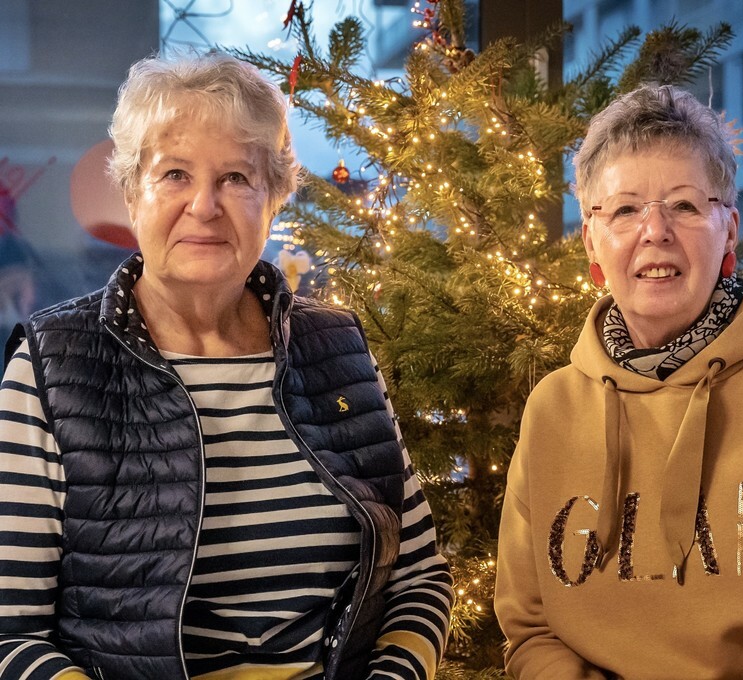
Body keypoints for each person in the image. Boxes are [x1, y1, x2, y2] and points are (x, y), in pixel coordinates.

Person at [0, 51, 453, 680]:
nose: (205, 206)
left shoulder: (336, 348)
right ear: (132, 194)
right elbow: (10, 632)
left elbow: (418, 579)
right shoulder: (51, 365)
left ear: (275, 197)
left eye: (237, 177)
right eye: (175, 174)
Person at [494, 84, 743, 679]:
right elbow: (530, 632)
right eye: (626, 208)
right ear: (592, 241)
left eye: (684, 205)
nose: (654, 230)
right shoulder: (552, 407)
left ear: (729, 230)